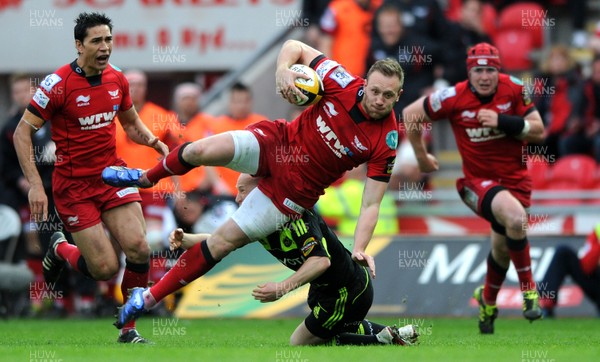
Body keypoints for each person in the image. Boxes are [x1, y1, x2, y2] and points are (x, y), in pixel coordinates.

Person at [103, 39, 402, 282]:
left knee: (226, 241)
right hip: (246, 176)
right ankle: (144, 178)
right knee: (197, 155)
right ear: (365, 83)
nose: (378, 99)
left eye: (387, 96)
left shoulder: (386, 140)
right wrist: (283, 70)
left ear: (398, 96)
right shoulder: (343, 82)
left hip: (294, 194)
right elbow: (295, 45)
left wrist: (358, 250)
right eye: (374, 91)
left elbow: (367, 208)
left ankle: (146, 298)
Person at [115, 174, 419, 346]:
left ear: (260, 192)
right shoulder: (260, 219)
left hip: (347, 289)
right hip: (329, 291)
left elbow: (320, 262)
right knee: (333, 331)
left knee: (299, 343)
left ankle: (381, 342)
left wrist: (282, 287)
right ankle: (392, 335)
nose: (236, 199)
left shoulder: (293, 215)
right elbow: (221, 241)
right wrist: (187, 241)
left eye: (242, 192)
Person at [13, 12, 168, 343]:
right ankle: (59, 249)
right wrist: (37, 187)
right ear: (78, 44)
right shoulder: (57, 85)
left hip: (112, 177)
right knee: (105, 269)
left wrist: (154, 141)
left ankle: (128, 329)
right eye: (97, 41)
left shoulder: (117, 79)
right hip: (74, 188)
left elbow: (129, 124)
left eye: (109, 39)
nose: (105, 47)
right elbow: (21, 133)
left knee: (140, 249)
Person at [402, 42, 545, 334]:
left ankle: (487, 301)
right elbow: (410, 114)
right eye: (478, 70)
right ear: (470, 73)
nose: (484, 76)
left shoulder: (516, 89)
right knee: (517, 220)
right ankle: (529, 292)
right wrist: (421, 156)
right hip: (476, 183)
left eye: (490, 70)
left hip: (517, 182)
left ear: (498, 71)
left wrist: (503, 121)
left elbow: (539, 130)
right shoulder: (453, 96)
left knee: (503, 248)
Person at [539, 224, 600, 318]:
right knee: (563, 253)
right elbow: (587, 266)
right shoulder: (597, 231)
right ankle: (546, 303)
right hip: (595, 281)